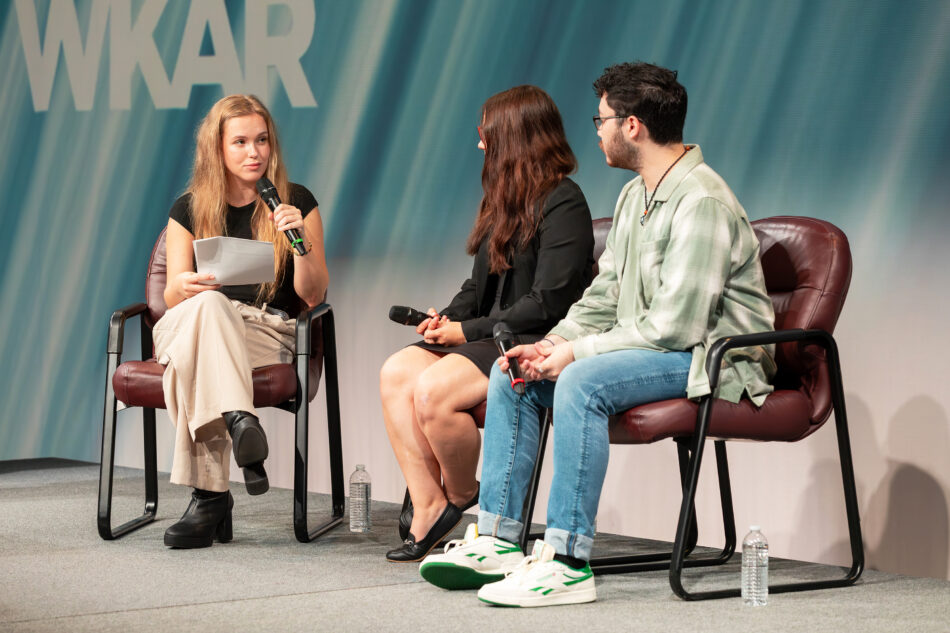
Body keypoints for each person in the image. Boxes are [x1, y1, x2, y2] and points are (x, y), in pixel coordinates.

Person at [418, 62, 777, 607]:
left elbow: (676, 327)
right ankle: (497, 539)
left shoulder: (700, 200)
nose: (597, 130)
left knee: (581, 382)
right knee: (512, 371)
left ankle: (566, 560)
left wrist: (575, 355)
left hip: (710, 359)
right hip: (657, 348)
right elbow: (604, 298)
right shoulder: (637, 196)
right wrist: (548, 346)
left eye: (603, 118)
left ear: (632, 126)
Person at [380, 85, 595, 563]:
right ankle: (429, 502)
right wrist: (448, 318)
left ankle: (458, 496)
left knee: (433, 392)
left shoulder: (565, 203)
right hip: (486, 332)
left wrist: (467, 332)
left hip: (529, 338)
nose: (480, 144)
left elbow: (547, 302)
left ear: (516, 137)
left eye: (486, 134)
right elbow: (478, 286)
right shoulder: (501, 199)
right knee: (396, 372)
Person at [154, 94, 328, 549]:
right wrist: (190, 285)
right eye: (240, 142)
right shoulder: (188, 208)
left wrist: (300, 243)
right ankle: (237, 416)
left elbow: (313, 295)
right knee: (209, 309)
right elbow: (172, 295)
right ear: (218, 148)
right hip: (195, 322)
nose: (254, 153)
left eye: (262, 140)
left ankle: (209, 498)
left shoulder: (296, 202)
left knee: (196, 358)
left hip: (264, 331)